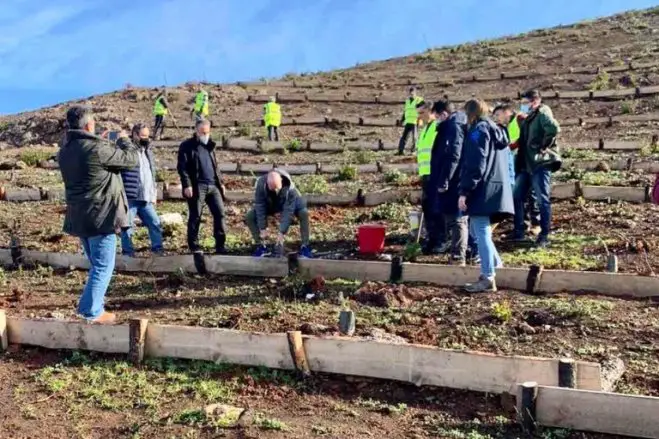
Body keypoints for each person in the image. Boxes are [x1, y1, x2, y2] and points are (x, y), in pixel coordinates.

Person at [58, 105, 139, 323]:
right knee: (103, 266)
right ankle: (90, 311)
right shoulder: (97, 148)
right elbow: (131, 160)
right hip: (101, 216)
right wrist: (123, 139)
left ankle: (93, 308)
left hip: (80, 217)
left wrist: (102, 141)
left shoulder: (64, 151)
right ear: (89, 125)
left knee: (97, 265)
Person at [458, 99, 513, 293]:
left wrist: (465, 191)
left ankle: (488, 276)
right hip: (497, 189)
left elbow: (476, 163)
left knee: (480, 230)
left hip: (482, 189)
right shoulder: (497, 129)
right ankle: (496, 267)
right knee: (479, 230)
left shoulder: (478, 131)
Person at [512, 90, 561, 247]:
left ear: (534, 102)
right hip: (527, 164)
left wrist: (543, 146)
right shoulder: (529, 118)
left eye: (525, 102)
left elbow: (553, 128)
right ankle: (519, 230)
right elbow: (527, 137)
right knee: (517, 196)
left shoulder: (542, 112)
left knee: (542, 199)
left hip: (540, 163)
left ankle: (544, 234)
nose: (523, 106)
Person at [177, 118, 227, 254]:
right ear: (196, 131)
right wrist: (187, 185)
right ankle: (194, 245)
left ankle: (220, 245)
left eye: (207, 132)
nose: (205, 135)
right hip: (197, 185)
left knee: (220, 214)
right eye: (202, 132)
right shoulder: (187, 146)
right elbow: (182, 168)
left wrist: (221, 182)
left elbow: (215, 165)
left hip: (213, 185)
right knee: (196, 215)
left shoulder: (210, 145)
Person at [429, 99, 469, 263]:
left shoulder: (453, 126)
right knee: (454, 218)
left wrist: (444, 180)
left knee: (457, 218)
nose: (436, 120)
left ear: (443, 114)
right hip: (452, 177)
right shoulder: (454, 125)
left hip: (454, 180)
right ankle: (459, 253)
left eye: (437, 116)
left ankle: (459, 256)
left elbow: (453, 155)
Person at [119, 123, 164, 257]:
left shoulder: (148, 152)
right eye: (143, 136)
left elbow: (150, 174)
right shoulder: (127, 151)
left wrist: (153, 194)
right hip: (131, 197)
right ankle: (128, 253)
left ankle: (158, 250)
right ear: (134, 135)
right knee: (127, 226)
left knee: (155, 223)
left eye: (147, 136)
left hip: (145, 198)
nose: (145, 138)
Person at [245, 169, 312, 258]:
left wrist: (281, 233)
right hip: (271, 204)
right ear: (267, 183)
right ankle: (261, 246)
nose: (275, 191)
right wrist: (262, 228)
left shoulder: (290, 188)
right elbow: (260, 206)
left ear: (281, 180)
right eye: (273, 189)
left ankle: (305, 246)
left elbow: (288, 211)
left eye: (277, 188)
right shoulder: (261, 184)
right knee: (250, 216)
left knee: (304, 213)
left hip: (289, 202)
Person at [397, 87, 424, 155]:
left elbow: (424, 104)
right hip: (408, 121)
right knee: (404, 137)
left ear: (415, 92)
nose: (411, 94)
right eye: (410, 92)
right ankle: (401, 150)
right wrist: (402, 119)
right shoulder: (407, 101)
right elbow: (406, 111)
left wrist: (419, 105)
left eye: (413, 92)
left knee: (414, 137)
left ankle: (413, 151)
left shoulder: (418, 99)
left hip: (415, 121)